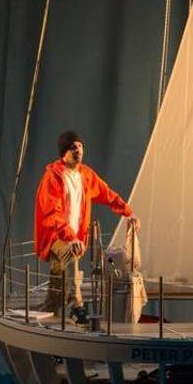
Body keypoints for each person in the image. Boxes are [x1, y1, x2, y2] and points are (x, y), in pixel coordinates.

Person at [34, 130, 139, 322]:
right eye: (73, 147)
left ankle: (51, 305)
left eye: (80, 146)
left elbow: (107, 194)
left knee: (59, 272)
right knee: (69, 253)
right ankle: (77, 307)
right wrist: (69, 237)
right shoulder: (53, 177)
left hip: (74, 237)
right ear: (64, 152)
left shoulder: (85, 175)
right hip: (54, 236)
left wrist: (128, 212)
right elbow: (53, 212)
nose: (78, 150)